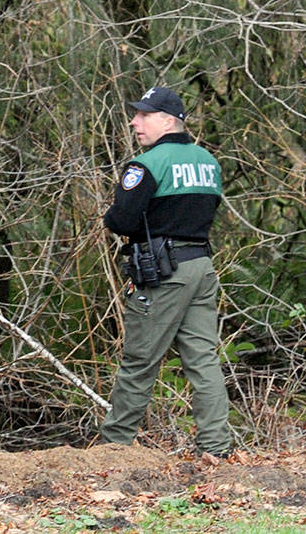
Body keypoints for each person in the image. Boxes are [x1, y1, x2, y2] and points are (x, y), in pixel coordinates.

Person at [100, 85, 231, 457]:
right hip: (201, 267)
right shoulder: (208, 161)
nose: (134, 122)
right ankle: (216, 448)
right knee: (203, 359)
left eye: (143, 115)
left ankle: (112, 449)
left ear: (166, 120)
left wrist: (114, 216)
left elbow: (120, 220)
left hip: (164, 273)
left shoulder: (147, 165)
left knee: (139, 361)